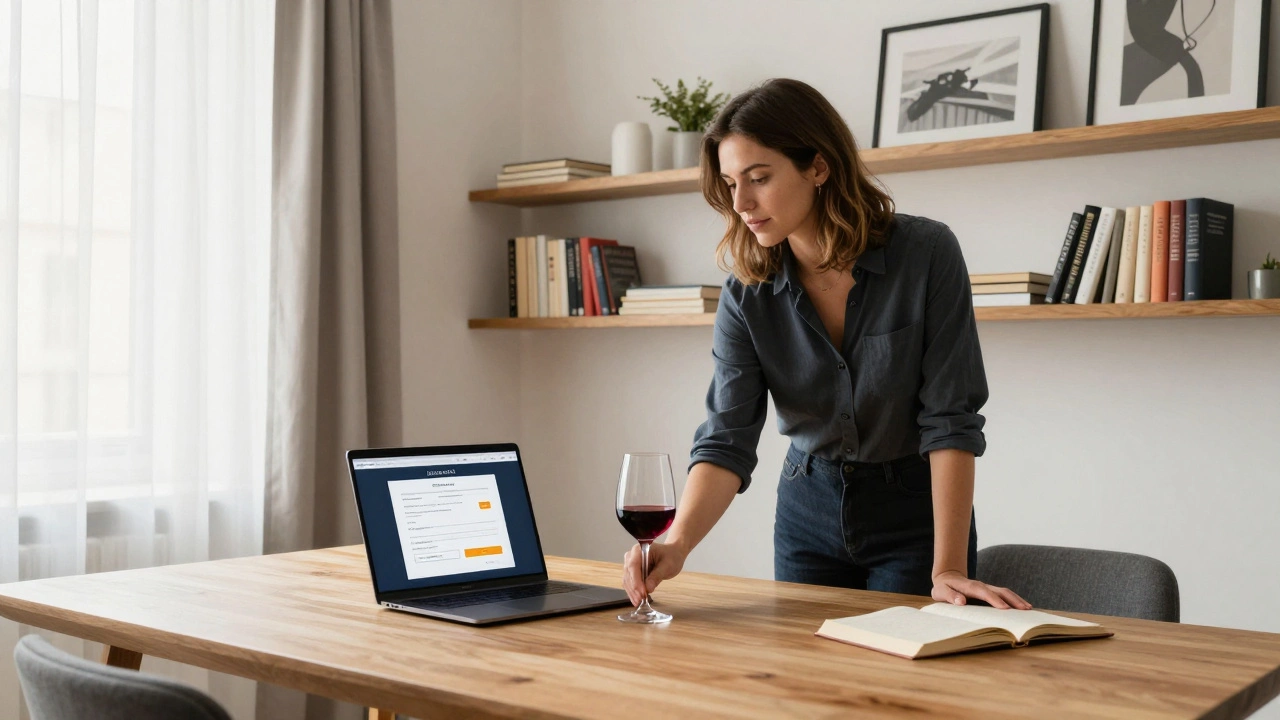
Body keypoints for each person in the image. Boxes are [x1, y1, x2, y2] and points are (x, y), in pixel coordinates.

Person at [621, 78, 1030, 610]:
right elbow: (727, 437)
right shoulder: (746, 292)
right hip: (806, 512)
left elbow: (950, 418)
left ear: (818, 166)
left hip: (915, 515)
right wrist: (676, 543)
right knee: (806, 682)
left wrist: (947, 566)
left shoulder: (926, 254)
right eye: (729, 183)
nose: (741, 202)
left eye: (759, 178)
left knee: (909, 687)